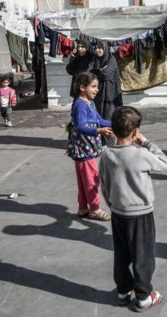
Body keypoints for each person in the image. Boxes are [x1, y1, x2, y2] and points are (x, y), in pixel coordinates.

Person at [99, 106, 167, 312]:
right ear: (135, 131)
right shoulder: (140, 154)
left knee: (121, 255)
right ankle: (143, 296)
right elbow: (164, 162)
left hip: (119, 212)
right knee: (143, 256)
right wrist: (146, 143)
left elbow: (104, 185)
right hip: (141, 214)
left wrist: (112, 205)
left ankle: (122, 291)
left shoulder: (106, 154)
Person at [67, 72, 114, 221]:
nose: (96, 90)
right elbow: (80, 126)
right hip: (83, 149)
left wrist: (116, 123)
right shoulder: (80, 103)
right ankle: (95, 209)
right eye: (93, 86)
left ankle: (83, 208)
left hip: (85, 149)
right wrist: (99, 130)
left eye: (97, 87)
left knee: (84, 180)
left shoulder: (90, 102)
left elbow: (99, 120)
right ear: (82, 87)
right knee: (92, 180)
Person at [91, 41, 123, 121]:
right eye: (96, 48)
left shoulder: (111, 60)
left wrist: (99, 71)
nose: (97, 50)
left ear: (105, 49)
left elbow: (105, 74)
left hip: (111, 95)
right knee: (98, 115)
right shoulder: (96, 60)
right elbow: (91, 72)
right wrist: (100, 70)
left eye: (100, 48)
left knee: (109, 116)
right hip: (99, 94)